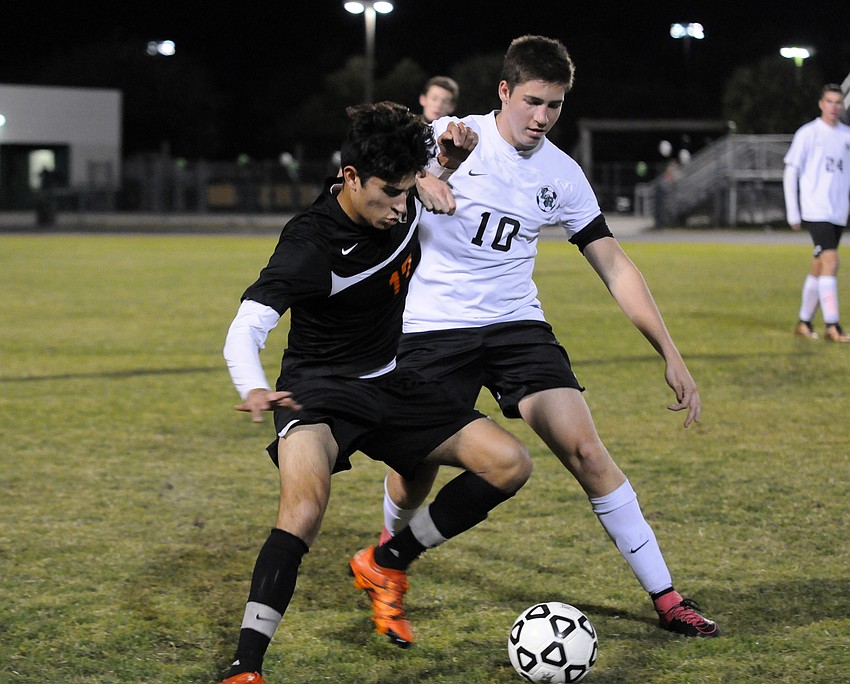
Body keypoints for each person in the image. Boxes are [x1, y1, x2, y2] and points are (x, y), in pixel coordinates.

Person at [356, 34, 721, 642]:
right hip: (432, 326)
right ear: (504, 91)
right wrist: (423, 177)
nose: (541, 118)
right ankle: (389, 567)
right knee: (412, 465)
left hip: (516, 326)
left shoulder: (563, 174)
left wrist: (671, 352)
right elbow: (371, 189)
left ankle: (667, 596)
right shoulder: (450, 135)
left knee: (584, 450)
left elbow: (614, 264)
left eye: (554, 106)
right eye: (531, 102)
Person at [219, 101, 531, 684]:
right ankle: (246, 666)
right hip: (317, 392)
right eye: (389, 192)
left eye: (408, 190)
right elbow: (247, 326)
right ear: (350, 178)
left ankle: (386, 560)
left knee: (509, 464)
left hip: (392, 379)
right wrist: (254, 386)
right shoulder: (310, 243)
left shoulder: (403, 195)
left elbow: (421, 184)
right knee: (304, 509)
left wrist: (448, 165)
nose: (400, 206)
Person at [784, 83, 850, 342]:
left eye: (838, 102)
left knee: (819, 265)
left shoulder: (846, 135)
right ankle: (832, 326)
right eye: (829, 101)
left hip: (837, 211)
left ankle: (803, 322)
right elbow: (791, 170)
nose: (834, 107)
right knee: (832, 261)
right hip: (816, 209)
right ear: (821, 104)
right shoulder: (809, 133)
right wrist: (793, 211)